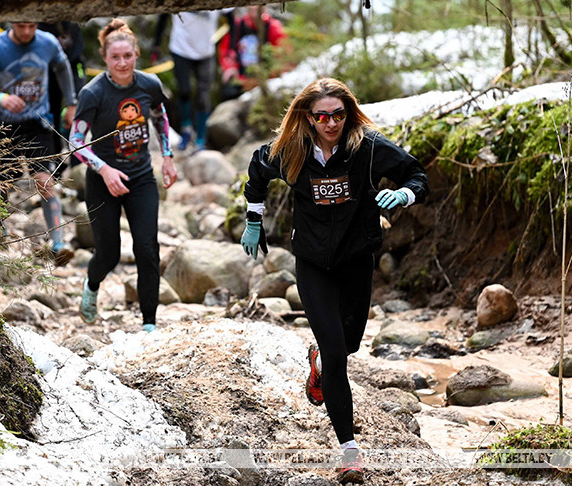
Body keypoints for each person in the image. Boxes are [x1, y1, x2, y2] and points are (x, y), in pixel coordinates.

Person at [240, 78, 428, 484]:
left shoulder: (369, 147)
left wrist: (403, 196)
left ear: (348, 114)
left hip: (357, 258)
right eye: (322, 116)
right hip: (311, 263)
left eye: (337, 115)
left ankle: (321, 360)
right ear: (308, 117)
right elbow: (256, 172)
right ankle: (349, 452)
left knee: (350, 343)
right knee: (339, 357)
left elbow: (417, 174)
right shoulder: (291, 150)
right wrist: (254, 220)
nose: (330, 123)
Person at [69, 18, 178, 333]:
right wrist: (103, 169)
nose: (122, 63)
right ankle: (91, 286)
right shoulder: (93, 93)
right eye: (115, 57)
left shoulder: (149, 85)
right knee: (109, 253)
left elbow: (159, 116)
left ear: (136, 54)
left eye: (127, 56)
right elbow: (76, 141)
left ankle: (149, 324)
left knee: (147, 248)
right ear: (105, 58)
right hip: (103, 181)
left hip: (141, 177)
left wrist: (167, 156)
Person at [0, 22, 77, 266]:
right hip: (3, 124)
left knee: (44, 180)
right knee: (0, 182)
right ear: (11, 23)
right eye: (21, 26)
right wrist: (1, 98)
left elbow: (62, 66)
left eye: (31, 26)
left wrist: (71, 102)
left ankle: (58, 243)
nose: (26, 32)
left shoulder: (47, 42)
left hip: (38, 123)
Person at [152, 10, 229, 150]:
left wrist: (231, 48)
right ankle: (186, 130)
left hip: (206, 53)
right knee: (184, 91)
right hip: (180, 49)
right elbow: (163, 14)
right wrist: (156, 46)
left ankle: (201, 139)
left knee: (203, 95)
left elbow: (231, 16)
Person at [37, 21, 86, 176]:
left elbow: (78, 49)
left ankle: (78, 164)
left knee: (77, 113)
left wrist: (73, 101)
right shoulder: (40, 24)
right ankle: (56, 161)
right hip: (50, 72)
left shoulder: (72, 22)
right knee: (52, 114)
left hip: (74, 66)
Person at [217, 5, 287, 100]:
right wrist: (230, 67)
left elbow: (283, 56)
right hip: (241, 79)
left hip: (266, 80)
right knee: (228, 94)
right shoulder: (238, 25)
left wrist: (267, 77)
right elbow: (226, 51)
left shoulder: (273, 27)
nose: (254, 7)